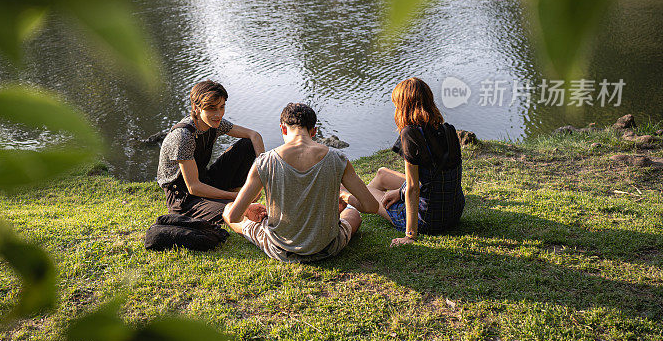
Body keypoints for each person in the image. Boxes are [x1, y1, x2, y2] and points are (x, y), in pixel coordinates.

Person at [223, 103, 379, 262]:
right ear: (314, 131)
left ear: (283, 129)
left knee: (227, 210)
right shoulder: (337, 159)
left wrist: (248, 209)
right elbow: (372, 207)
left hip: (279, 249)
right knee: (353, 214)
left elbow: (234, 216)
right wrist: (345, 197)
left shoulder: (265, 161)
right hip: (327, 248)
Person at [346, 78, 464, 246]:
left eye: (396, 105)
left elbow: (414, 187)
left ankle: (352, 204)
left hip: (428, 220)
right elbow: (437, 176)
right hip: (454, 212)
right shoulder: (448, 129)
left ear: (404, 106)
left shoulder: (410, 133)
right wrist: (399, 192)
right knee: (382, 174)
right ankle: (359, 203)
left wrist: (410, 236)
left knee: (370, 193)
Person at [156, 80, 265, 225]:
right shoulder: (183, 136)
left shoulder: (215, 123)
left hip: (204, 179)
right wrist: (237, 197)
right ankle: (233, 202)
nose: (218, 114)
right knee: (231, 212)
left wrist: (263, 176)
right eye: (212, 108)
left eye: (221, 107)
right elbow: (193, 187)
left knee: (247, 144)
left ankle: (231, 198)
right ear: (196, 108)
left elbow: (254, 136)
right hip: (184, 198)